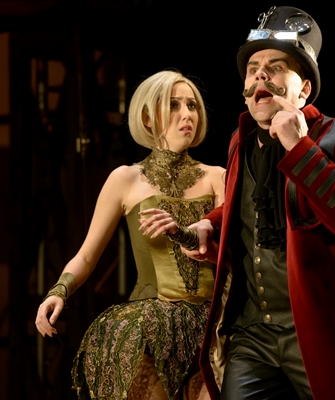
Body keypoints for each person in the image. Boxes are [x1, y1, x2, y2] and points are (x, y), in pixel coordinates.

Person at [182, 6, 335, 400]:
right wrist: (212, 224)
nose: (260, 76)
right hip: (253, 333)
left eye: (275, 68)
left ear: (303, 90)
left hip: (321, 332)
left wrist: (298, 146)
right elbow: (247, 202)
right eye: (253, 69)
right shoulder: (240, 142)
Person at [35, 70, 225, 400]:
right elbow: (87, 255)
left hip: (212, 328)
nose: (187, 114)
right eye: (174, 104)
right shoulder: (125, 179)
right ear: (148, 117)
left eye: (192, 105)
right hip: (151, 328)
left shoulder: (217, 177)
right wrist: (59, 291)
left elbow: (229, 251)